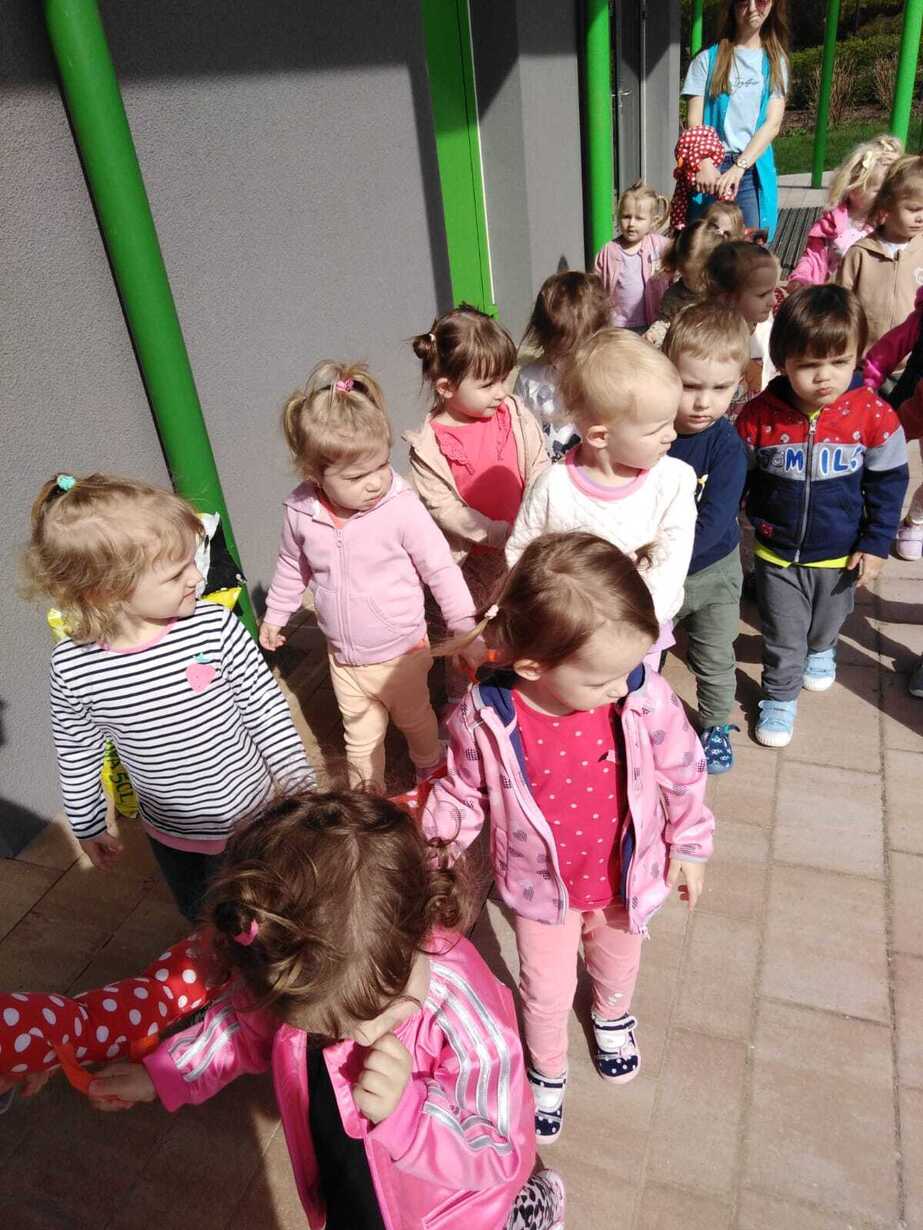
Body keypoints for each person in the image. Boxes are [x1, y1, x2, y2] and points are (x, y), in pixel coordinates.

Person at [87, 788, 566, 1230]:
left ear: (419, 926)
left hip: (454, 1211)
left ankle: (533, 1207)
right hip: (352, 1184)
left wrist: (409, 1112)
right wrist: (165, 1073)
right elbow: (238, 1026)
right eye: (331, 1027)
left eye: (383, 1009)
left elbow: (498, 1146)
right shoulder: (293, 971)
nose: (363, 1036)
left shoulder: (464, 1008)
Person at [425, 534, 714, 1142]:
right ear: (534, 666)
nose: (622, 685)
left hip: (624, 877)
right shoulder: (488, 715)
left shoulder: (642, 695)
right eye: (604, 678)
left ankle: (611, 1015)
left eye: (632, 666)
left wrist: (689, 843)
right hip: (540, 890)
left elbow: (683, 768)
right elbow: (464, 790)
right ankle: (548, 1067)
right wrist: (435, 844)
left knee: (618, 962)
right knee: (545, 989)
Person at [24, 474, 315, 921]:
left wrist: (301, 790)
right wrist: (87, 823)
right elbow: (76, 749)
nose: (197, 576)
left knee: (267, 911)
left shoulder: (214, 627)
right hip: (172, 834)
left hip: (252, 818)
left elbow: (266, 711)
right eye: (177, 572)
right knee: (203, 915)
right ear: (106, 590)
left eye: (192, 561)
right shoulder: (75, 666)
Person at [260, 362, 478, 791]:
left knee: (416, 720)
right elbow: (291, 564)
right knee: (359, 739)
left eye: (381, 465)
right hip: (344, 658)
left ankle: (429, 769)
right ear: (314, 475)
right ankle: (369, 795)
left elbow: (439, 567)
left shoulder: (401, 507)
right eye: (357, 476)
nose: (376, 482)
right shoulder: (302, 512)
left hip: (403, 651)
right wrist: (276, 614)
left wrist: (462, 624)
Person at [736, 286, 909, 748]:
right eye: (809, 364)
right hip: (776, 551)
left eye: (839, 361)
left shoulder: (873, 416)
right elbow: (738, 475)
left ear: (858, 355)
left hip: (840, 554)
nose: (825, 376)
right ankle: (779, 695)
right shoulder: (758, 417)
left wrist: (875, 543)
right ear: (782, 361)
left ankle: (823, 647)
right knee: (783, 632)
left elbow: (889, 484)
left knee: (827, 623)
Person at [506, 329, 695, 674]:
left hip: (639, 636)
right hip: (570, 639)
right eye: (656, 429)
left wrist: (640, 624)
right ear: (600, 436)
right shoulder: (553, 486)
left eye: (671, 421)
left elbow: (671, 560)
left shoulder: (672, 481)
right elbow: (522, 552)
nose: (671, 435)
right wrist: (534, 616)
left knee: (632, 698)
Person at [405, 307, 549, 701]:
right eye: (488, 384)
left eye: (504, 378)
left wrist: (535, 519)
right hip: (469, 561)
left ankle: (510, 695)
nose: (501, 391)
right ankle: (460, 704)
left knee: (514, 626)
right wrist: (501, 533)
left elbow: (538, 463)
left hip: (520, 549)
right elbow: (445, 509)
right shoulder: (429, 444)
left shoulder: (513, 414)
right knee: (465, 634)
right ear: (446, 387)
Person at [664, 303, 750, 773]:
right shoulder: (651, 433)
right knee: (648, 651)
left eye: (720, 388)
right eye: (690, 385)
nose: (704, 402)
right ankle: (642, 714)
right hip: (658, 573)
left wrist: (659, 559)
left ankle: (715, 725)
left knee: (714, 655)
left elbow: (714, 522)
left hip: (712, 572)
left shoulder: (727, 448)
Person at [682, 0, 790, 240]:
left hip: (751, 170)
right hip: (711, 169)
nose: (752, 8)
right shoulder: (706, 60)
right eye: (743, 2)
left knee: (749, 251)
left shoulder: (776, 62)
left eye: (760, 1)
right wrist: (704, 163)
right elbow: (694, 122)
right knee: (703, 249)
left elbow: (772, 124)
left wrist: (739, 167)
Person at [514, 270, 611, 459]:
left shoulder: (609, 377)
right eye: (557, 352)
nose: (563, 361)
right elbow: (523, 438)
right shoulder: (530, 380)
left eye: (574, 353)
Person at [789, 135, 903, 287]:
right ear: (853, 189)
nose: (887, 196)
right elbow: (814, 257)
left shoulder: (889, 224)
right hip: (837, 294)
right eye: (879, 191)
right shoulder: (832, 224)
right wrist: (801, 277)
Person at [838, 155, 923, 353]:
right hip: (865, 358)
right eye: (914, 209)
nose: (921, 217)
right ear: (886, 210)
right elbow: (840, 304)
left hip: (913, 360)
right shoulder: (861, 254)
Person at [864, 287, 923, 562]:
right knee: (878, 458)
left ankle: (915, 521)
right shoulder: (920, 321)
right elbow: (887, 350)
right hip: (910, 403)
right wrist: (869, 384)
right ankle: (867, 510)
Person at [704, 239, 780, 409]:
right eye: (762, 295)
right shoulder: (707, 338)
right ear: (727, 298)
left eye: (773, 291)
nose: (774, 301)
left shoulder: (767, 327)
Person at [593, 180, 671, 331]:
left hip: (652, 322)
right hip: (619, 324)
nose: (631, 224)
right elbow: (597, 286)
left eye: (639, 218)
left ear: (652, 221)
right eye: (626, 216)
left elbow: (681, 261)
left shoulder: (660, 246)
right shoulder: (609, 251)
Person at [643, 219, 724, 349]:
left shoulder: (723, 296)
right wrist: (654, 334)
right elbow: (664, 321)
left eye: (699, 279)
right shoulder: (675, 296)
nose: (691, 284)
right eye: (685, 277)